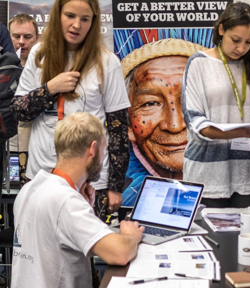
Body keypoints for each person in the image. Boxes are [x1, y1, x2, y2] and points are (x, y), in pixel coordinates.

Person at [11, 0, 130, 222]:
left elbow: (119, 129)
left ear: (93, 23)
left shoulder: (107, 62)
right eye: (70, 16)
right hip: (42, 176)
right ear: (58, 16)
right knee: (41, 250)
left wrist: (115, 186)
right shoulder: (39, 54)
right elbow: (18, 112)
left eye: (85, 19)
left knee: (82, 252)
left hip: (89, 181)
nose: (77, 25)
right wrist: (49, 89)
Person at [11, 112, 144, 288]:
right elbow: (119, 253)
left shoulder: (31, 189)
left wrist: (85, 206)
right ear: (92, 148)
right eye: (103, 150)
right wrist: (130, 236)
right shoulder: (65, 201)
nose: (103, 159)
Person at [182, 2, 250, 211]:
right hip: (208, 173)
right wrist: (237, 132)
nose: (241, 48)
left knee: (247, 240)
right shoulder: (198, 63)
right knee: (211, 241)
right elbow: (194, 119)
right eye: (235, 40)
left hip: (248, 171)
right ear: (221, 30)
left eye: (248, 42)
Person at [121, 39, 206, 206]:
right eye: (150, 103)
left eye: (191, 100)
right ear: (128, 124)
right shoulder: (112, 189)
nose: (175, 125)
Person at [9, 14, 39, 187]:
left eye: (27, 37)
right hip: (8, 145)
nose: (21, 42)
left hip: (36, 145)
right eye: (16, 36)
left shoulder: (47, 67)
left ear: (36, 38)